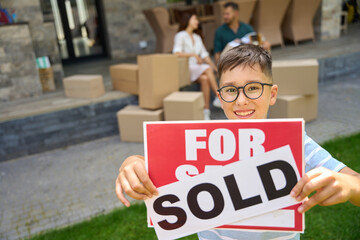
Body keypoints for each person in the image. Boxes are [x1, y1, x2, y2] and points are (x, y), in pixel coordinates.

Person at [115, 44, 360, 240]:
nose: (241, 100)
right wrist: (133, 162)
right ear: (220, 97)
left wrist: (348, 184)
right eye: (231, 91)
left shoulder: (296, 143)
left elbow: (356, 184)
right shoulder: (200, 144)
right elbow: (156, 168)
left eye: (253, 88)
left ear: (272, 94)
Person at [173, 13, 221, 120]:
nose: (197, 22)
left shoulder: (197, 37)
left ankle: (206, 112)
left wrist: (215, 67)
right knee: (207, 69)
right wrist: (193, 55)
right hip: (186, 69)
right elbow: (176, 53)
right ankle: (219, 97)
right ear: (187, 20)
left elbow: (205, 55)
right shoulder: (180, 35)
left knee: (205, 79)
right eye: (195, 19)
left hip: (197, 69)